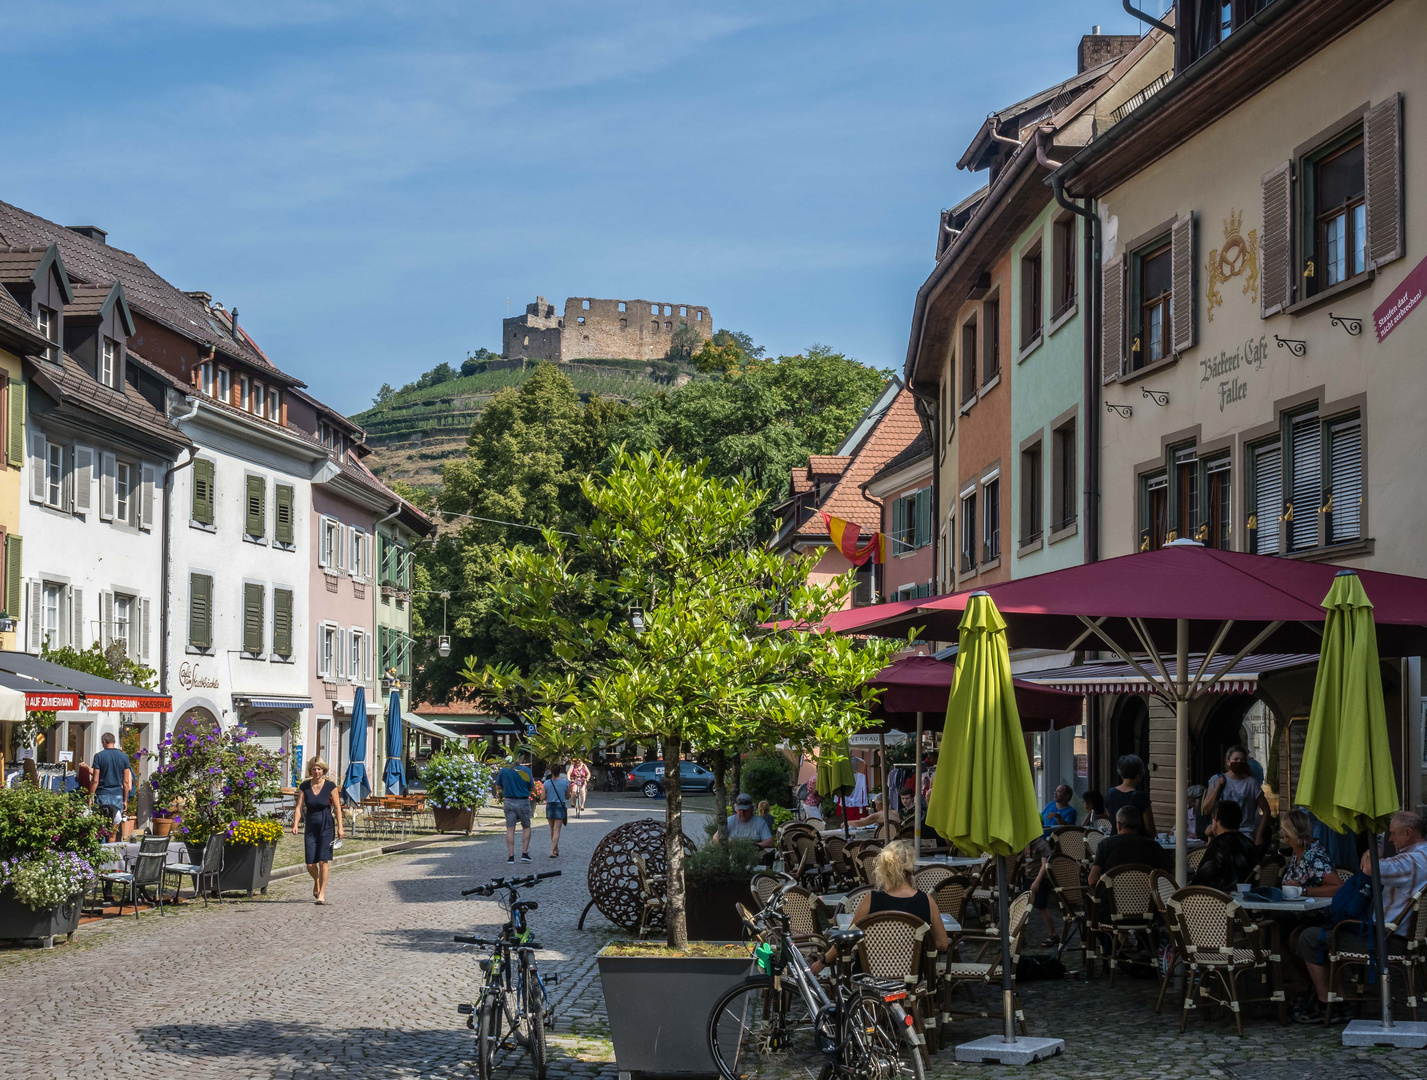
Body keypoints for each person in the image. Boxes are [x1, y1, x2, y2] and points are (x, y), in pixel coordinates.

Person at [1296, 811, 1427, 1025]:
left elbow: (1369, 868)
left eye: (1393, 834)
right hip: (1406, 938)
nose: (1391, 839)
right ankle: (1339, 998)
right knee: (1326, 931)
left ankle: (1329, 1005)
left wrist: (1373, 850)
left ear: (1409, 833)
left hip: (1388, 940)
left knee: (1309, 937)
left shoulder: (1412, 861)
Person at [809, 840, 951, 975]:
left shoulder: (870, 900)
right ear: (911, 869)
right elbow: (943, 944)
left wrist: (823, 961)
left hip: (871, 979)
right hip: (910, 980)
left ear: (884, 870)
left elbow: (848, 939)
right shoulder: (927, 900)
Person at [293, 758, 343, 904]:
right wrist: (295, 824)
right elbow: (299, 807)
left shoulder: (330, 786)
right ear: (310, 771)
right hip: (310, 826)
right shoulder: (304, 787)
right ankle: (317, 880)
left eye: (319, 769)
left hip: (326, 825)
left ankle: (321, 893)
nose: (316, 772)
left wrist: (340, 827)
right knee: (310, 863)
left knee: (323, 861)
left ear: (323, 770)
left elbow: (337, 808)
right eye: (314, 769)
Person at [1087, 806, 1173, 889]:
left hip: (1111, 901)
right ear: (1139, 824)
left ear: (1119, 825)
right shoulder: (1153, 846)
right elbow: (1171, 873)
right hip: (1146, 902)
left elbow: (1092, 881)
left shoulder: (1105, 845)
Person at [1201, 744, 1270, 847]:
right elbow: (1206, 809)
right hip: (1221, 835)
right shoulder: (1216, 779)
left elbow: (1266, 810)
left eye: (1242, 760)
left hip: (1245, 835)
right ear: (1228, 762)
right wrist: (1217, 789)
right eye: (1236, 759)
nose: (1239, 763)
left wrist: (1259, 834)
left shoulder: (1251, 783)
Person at [1191, 801, 1260, 892]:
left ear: (1216, 817)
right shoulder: (1248, 843)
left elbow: (1200, 881)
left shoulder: (1219, 845)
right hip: (1247, 899)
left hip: (1219, 901)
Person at [1281, 809, 1343, 896]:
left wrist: (1302, 891)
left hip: (1312, 908)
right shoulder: (1299, 852)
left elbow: (1338, 887)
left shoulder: (1313, 856)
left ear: (1286, 835)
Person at [1104, 754, 1156, 840]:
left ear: (1120, 772)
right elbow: (1150, 829)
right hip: (1138, 844)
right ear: (1139, 774)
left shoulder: (1110, 793)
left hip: (1115, 841)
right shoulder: (1142, 797)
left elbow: (1111, 818)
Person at [90, 733, 133, 832]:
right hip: (117, 796)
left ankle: (100, 846)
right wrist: (125, 800)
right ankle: (112, 845)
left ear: (104, 742)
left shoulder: (99, 757)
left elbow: (95, 780)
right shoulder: (124, 757)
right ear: (114, 741)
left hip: (102, 795)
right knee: (113, 831)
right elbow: (126, 781)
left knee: (99, 829)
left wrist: (90, 796)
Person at [496, 756, 535, 863]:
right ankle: (524, 853)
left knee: (510, 828)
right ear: (521, 759)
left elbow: (497, 786)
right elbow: (532, 787)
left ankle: (511, 856)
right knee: (526, 827)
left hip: (508, 801)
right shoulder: (526, 771)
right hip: (523, 801)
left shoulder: (503, 770)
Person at [544, 763, 569, 858]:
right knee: (557, 829)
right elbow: (567, 796)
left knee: (552, 829)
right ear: (560, 772)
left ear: (551, 772)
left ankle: (555, 849)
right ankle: (552, 851)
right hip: (560, 806)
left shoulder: (547, 783)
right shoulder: (565, 783)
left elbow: (542, 797)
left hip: (550, 806)